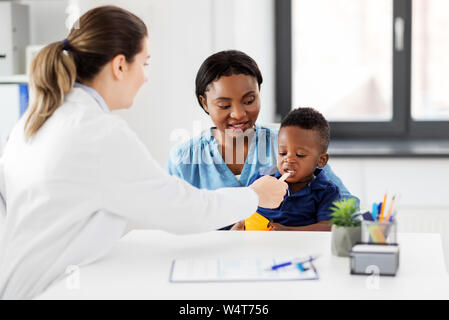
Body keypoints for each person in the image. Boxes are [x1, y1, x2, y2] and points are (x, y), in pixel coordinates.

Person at [0, 6, 287, 299]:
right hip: (46, 289)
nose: (145, 78)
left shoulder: (35, 119)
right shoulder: (98, 133)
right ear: (120, 65)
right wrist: (254, 196)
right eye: (144, 63)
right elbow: (180, 209)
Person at [166, 50, 356, 198]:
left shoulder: (290, 146)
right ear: (204, 103)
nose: (239, 114)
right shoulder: (184, 160)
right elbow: (169, 222)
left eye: (249, 101)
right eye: (224, 105)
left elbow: (345, 207)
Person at [238, 107, 341, 231]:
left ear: (321, 160)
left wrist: (288, 231)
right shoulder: (261, 178)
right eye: (282, 153)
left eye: (300, 155)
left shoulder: (327, 191)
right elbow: (244, 213)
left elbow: (328, 227)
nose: (288, 159)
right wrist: (238, 226)